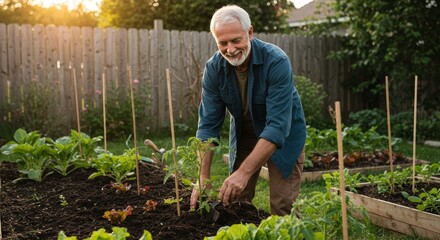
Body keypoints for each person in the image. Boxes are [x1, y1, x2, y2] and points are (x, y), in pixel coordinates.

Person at [190, 4, 306, 216]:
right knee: (236, 202)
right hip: (245, 132)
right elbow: (208, 126)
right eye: (222, 43)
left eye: (236, 40)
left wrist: (244, 172)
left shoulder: (276, 61)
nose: (230, 49)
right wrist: (203, 176)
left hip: (284, 134)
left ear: (250, 32)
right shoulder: (214, 68)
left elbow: (277, 127)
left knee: (283, 206)